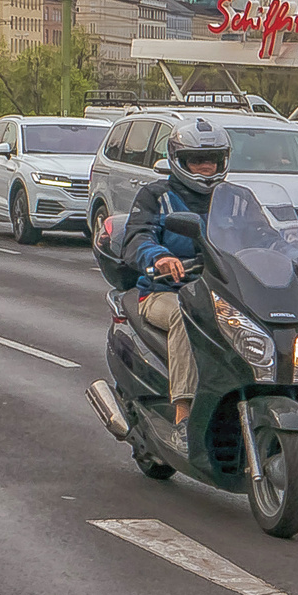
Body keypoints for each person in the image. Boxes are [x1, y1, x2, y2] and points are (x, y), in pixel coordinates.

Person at [122, 118, 231, 454]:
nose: (206, 166)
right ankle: (184, 416)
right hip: (164, 293)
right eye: (197, 159)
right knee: (189, 315)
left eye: (212, 159)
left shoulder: (232, 199)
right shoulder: (156, 196)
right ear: (179, 161)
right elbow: (137, 237)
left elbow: (263, 235)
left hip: (224, 295)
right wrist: (159, 258)